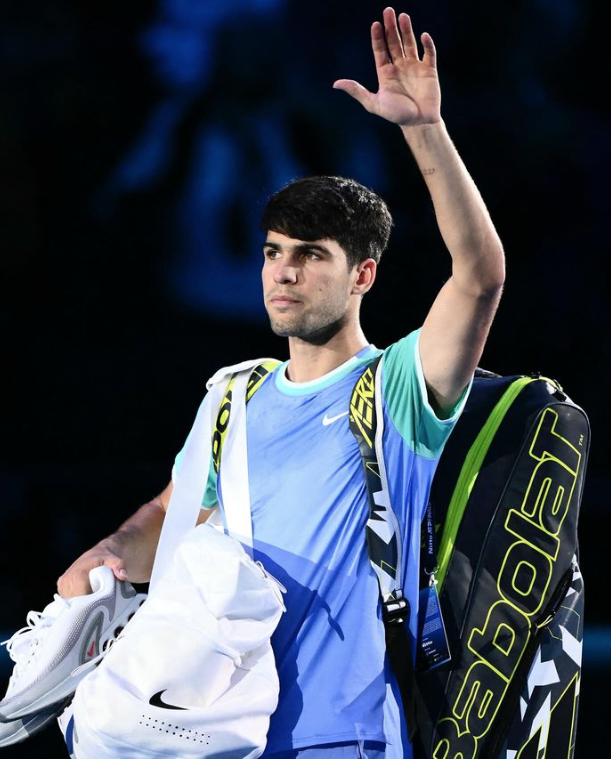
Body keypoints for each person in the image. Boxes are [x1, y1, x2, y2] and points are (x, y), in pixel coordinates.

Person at [57, 8, 505, 759]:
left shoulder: (395, 387)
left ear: (363, 273)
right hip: (211, 740)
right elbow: (174, 511)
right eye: (273, 252)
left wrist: (425, 128)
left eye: (310, 254)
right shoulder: (231, 394)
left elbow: (480, 276)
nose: (283, 272)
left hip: (346, 738)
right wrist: (109, 552)